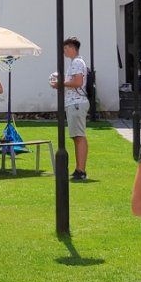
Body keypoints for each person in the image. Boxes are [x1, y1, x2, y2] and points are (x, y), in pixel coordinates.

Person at [51, 37, 89, 182]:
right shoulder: (76, 62)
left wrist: (60, 83)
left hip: (76, 103)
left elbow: (78, 82)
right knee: (77, 136)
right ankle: (79, 169)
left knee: (79, 136)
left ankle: (81, 170)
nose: (64, 51)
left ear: (72, 48)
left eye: (65, 48)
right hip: (74, 103)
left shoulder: (77, 62)